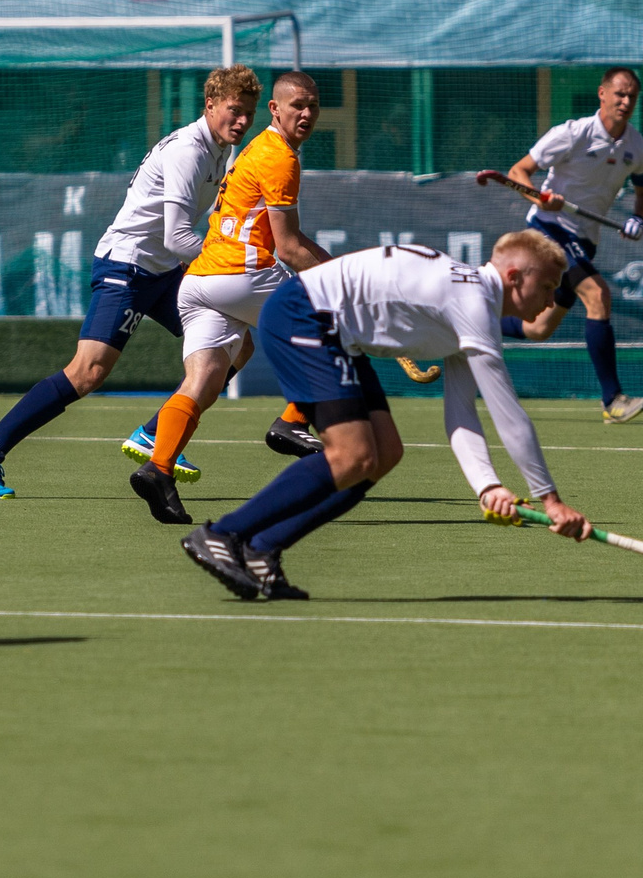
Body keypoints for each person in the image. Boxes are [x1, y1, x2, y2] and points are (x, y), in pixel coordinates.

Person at [180, 231, 589, 602]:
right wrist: (550, 500)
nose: (551, 302)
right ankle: (224, 534)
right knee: (352, 455)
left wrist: (487, 486)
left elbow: (462, 412)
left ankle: (261, 548)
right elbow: (509, 414)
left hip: (335, 333)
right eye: (549, 287)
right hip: (301, 316)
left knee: (386, 452)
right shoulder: (475, 304)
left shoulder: (472, 300)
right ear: (515, 277)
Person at [0, 65, 257, 500]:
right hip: (128, 266)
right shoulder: (190, 150)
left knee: (237, 345)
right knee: (88, 371)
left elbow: (191, 231)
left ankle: (156, 433)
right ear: (210, 105)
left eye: (248, 113)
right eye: (234, 110)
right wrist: (233, 264)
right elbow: (176, 236)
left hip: (164, 270)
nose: (242, 121)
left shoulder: (220, 151)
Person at [127, 69, 336, 524]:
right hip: (241, 274)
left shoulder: (257, 147)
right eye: (297, 104)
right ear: (276, 110)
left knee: (203, 380)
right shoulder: (279, 156)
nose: (306, 113)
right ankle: (293, 421)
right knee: (335, 320)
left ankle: (159, 468)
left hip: (199, 281)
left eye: (313, 106)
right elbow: (289, 246)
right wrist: (343, 277)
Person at [502, 66, 643, 424]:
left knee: (538, 329)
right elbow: (517, 172)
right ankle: (613, 401)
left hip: (585, 240)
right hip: (549, 229)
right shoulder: (572, 134)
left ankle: (471, 321)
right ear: (601, 94)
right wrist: (541, 198)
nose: (626, 101)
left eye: (632, 95)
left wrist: (639, 219)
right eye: (619, 93)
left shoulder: (635, 145)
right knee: (598, 295)